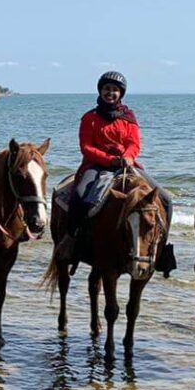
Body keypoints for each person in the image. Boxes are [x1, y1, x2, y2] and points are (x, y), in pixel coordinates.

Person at [60, 72, 176, 272]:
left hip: (127, 164)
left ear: (121, 93)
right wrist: (110, 159)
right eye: (106, 89)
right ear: (100, 91)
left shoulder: (129, 118)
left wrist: (129, 157)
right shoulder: (90, 118)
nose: (110, 93)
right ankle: (73, 242)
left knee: (165, 199)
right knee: (80, 199)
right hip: (97, 166)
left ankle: (161, 249)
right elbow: (86, 147)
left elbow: (134, 143)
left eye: (114, 90)